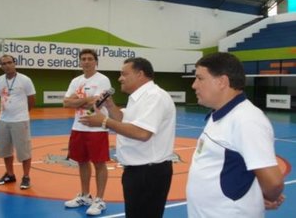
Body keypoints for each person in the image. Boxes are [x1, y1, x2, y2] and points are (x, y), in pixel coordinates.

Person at [186, 52, 285, 217]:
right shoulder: (221, 114)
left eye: (200, 78)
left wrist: (269, 197)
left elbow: (273, 183)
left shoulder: (246, 120)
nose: (194, 85)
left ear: (222, 82)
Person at [79, 57, 176, 218]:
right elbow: (124, 120)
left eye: (124, 74)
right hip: (137, 171)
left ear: (140, 74)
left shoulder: (154, 96)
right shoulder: (139, 97)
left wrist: (103, 121)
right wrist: (110, 106)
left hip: (149, 173)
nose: (120, 78)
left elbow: (142, 133)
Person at [63, 49, 111, 216]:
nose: (86, 61)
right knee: (82, 162)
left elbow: (96, 103)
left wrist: (77, 100)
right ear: (80, 62)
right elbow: (66, 103)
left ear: (96, 61)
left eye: (90, 59)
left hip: (97, 128)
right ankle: (85, 195)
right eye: (83, 59)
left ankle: (99, 199)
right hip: (78, 127)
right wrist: (84, 100)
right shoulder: (76, 80)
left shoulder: (103, 80)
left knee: (99, 163)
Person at [0, 54, 36, 190]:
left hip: (20, 120)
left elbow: (31, 99)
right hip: (3, 119)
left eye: (9, 62)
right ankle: (10, 174)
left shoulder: (25, 80)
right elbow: (1, 98)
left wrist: (23, 113)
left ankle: (26, 176)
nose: (7, 65)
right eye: (4, 63)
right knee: (5, 150)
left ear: (14, 63)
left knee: (24, 151)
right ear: (1, 66)